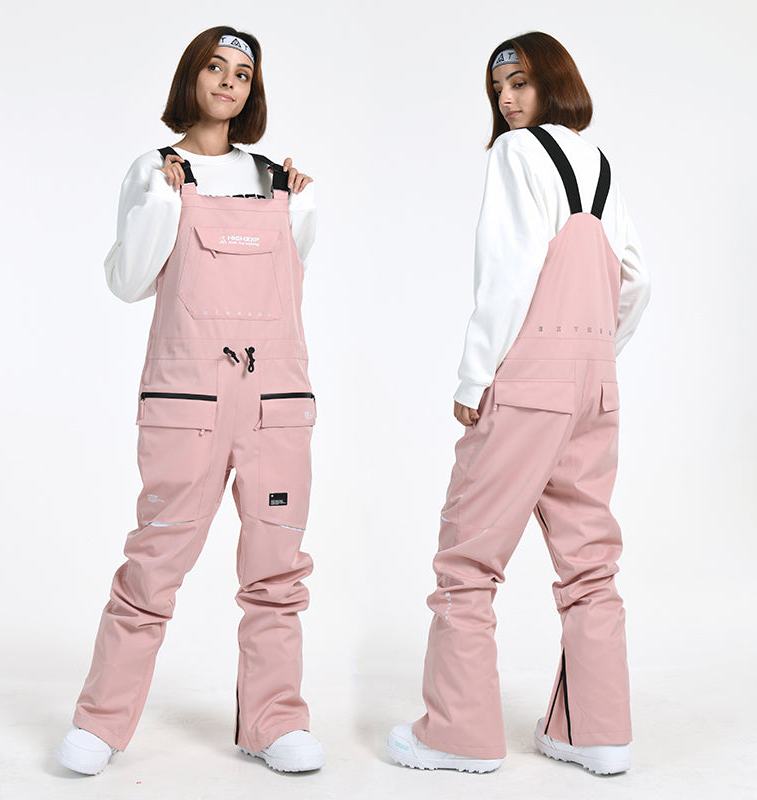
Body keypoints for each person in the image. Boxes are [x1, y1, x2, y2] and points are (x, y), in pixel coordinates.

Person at [56, 26, 324, 775]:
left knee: (277, 566)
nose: (229, 81)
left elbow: (293, 278)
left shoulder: (281, 180)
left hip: (276, 399)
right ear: (192, 76)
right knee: (156, 560)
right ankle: (101, 722)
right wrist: (164, 202)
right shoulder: (154, 169)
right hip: (188, 398)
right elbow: (129, 281)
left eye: (243, 72)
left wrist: (300, 204)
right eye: (215, 66)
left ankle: (274, 723)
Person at [387, 31, 650, 776]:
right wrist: (595, 352)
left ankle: (457, 735)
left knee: (468, 558)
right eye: (498, 87)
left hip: (529, 382)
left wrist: (474, 380)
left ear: (553, 82)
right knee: (590, 564)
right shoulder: (599, 164)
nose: (506, 99)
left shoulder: (515, 153)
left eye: (521, 82)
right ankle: (597, 733)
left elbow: (507, 273)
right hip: (595, 386)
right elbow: (638, 280)